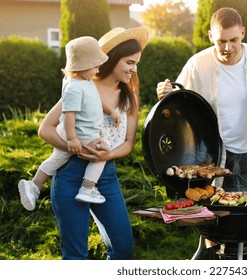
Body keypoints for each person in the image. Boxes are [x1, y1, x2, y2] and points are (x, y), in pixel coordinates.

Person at [37, 26, 150, 259]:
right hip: (69, 174)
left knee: (123, 249)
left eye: (136, 63)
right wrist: (74, 146)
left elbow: (129, 143)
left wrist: (106, 156)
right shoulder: (81, 86)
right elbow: (45, 129)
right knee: (76, 255)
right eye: (129, 62)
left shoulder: (131, 97)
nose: (134, 69)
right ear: (112, 59)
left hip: (105, 176)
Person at [156, 7, 247, 192]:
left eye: (234, 40)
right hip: (209, 155)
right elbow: (178, 100)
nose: (228, 48)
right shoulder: (197, 64)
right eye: (221, 41)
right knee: (214, 210)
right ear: (210, 36)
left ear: (243, 33)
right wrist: (166, 93)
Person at [18, 36, 111, 210]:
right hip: (82, 133)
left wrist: (111, 111)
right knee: (100, 154)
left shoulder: (84, 81)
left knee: (56, 160)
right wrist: (72, 139)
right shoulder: (73, 88)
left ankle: (34, 186)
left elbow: (96, 99)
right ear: (83, 65)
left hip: (73, 132)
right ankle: (87, 189)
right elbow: (69, 115)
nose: (98, 70)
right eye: (96, 66)